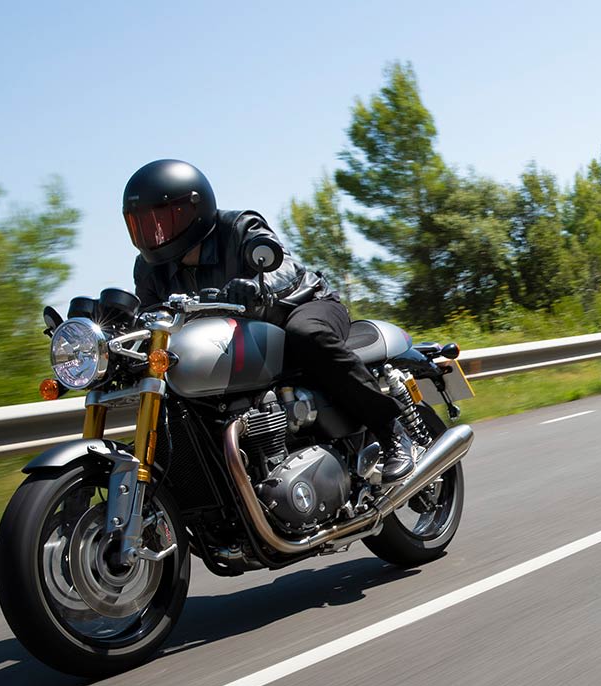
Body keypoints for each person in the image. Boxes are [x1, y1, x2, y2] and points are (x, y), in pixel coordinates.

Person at [122, 159, 413, 481]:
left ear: (196, 208)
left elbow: (282, 268)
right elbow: (150, 314)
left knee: (305, 335)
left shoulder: (238, 227)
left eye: (165, 219)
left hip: (298, 306)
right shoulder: (148, 268)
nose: (156, 233)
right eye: (144, 224)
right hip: (233, 338)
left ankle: (391, 433)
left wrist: (257, 286)